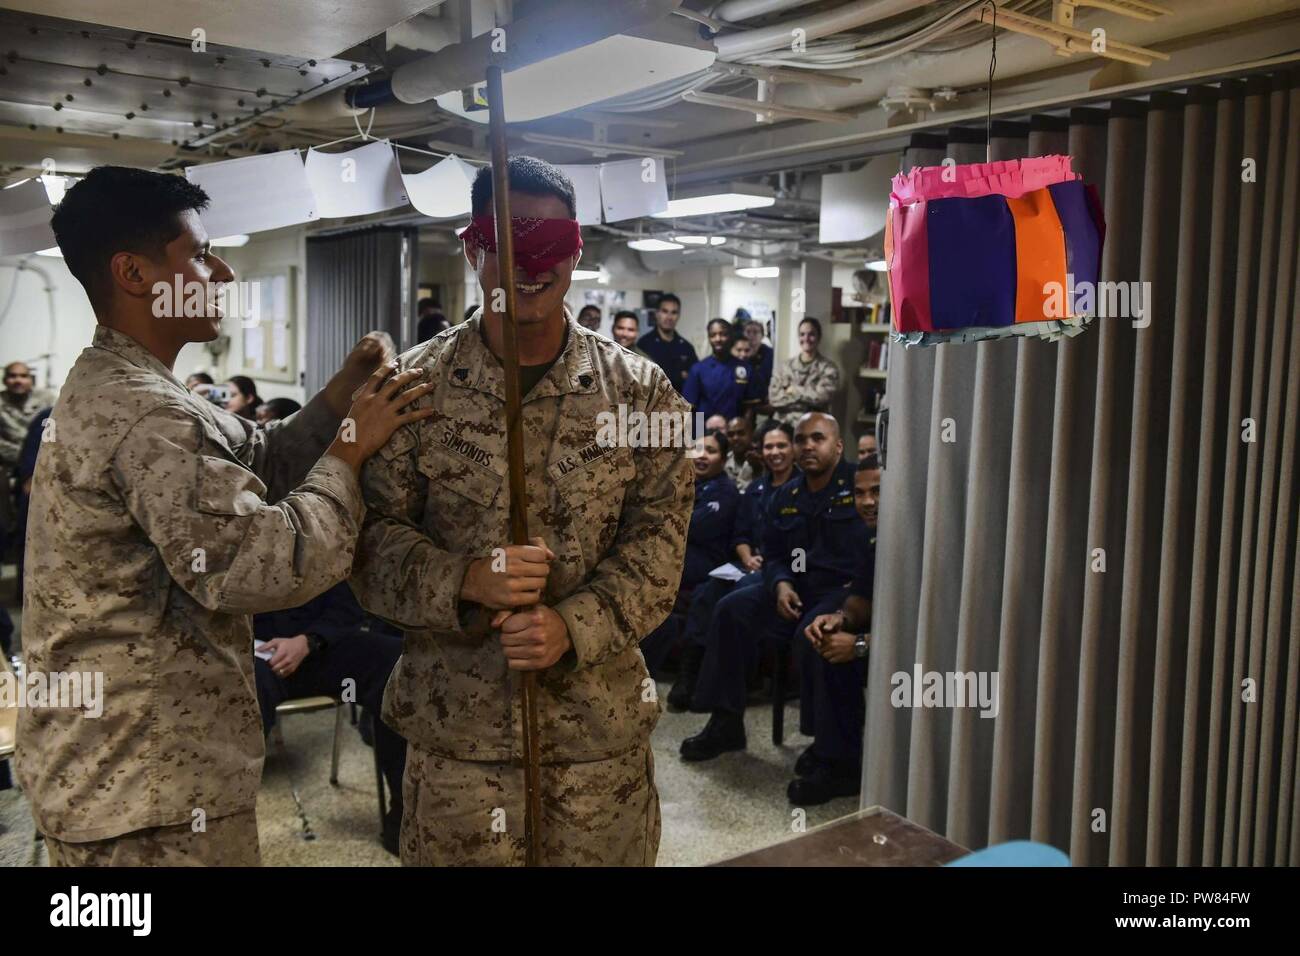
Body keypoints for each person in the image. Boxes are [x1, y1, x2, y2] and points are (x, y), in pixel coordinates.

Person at [16, 165, 436, 867]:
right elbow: (259, 566)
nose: (225, 272)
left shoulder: (136, 386)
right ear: (134, 272)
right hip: (144, 792)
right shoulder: (144, 411)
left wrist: (336, 400)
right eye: (201, 253)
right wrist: (353, 449)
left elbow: (256, 465)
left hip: (131, 773)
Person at [348, 155, 694, 867]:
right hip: (459, 745)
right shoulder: (414, 390)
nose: (529, 267)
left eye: (548, 247)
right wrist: (466, 580)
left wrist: (573, 625)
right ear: (473, 247)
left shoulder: (642, 393)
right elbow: (367, 546)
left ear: (575, 250)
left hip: (596, 742)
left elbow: (661, 546)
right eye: (508, 245)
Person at [680, 412, 864, 761]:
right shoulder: (787, 494)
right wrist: (780, 584)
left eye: (818, 438)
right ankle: (726, 722)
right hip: (793, 587)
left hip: (840, 591)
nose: (808, 446)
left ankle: (829, 747)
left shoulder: (857, 486)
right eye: (802, 439)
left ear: (838, 446)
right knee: (730, 609)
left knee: (811, 634)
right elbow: (776, 553)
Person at [252, 581, 407, 853]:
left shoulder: (320, 538)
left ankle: (404, 816)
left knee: (395, 662)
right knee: (240, 692)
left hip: (316, 647)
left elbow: (348, 607)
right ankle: (232, 819)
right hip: (251, 653)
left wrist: (308, 641)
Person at [667, 421, 795, 712]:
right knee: (708, 592)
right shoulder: (756, 489)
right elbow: (741, 534)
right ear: (761, 452)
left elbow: (802, 544)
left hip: (784, 568)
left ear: (793, 449)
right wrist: (748, 556)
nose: (774, 452)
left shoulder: (800, 487)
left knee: (730, 602)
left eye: (781, 446)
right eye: (769, 447)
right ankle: (689, 676)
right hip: (748, 562)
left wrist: (776, 562)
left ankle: (713, 689)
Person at [795, 454, 879, 804]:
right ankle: (834, 750)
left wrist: (860, 644)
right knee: (825, 641)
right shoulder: (868, 538)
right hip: (879, 635)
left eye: (877, 492)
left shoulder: (918, 541)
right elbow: (860, 600)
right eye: (859, 494)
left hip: (925, 653)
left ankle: (842, 767)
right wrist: (839, 620)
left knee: (840, 657)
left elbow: (924, 629)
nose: (867, 502)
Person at [639, 429, 738, 676]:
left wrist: (666, 521)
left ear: (724, 460)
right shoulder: (682, 483)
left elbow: (693, 527)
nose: (702, 456)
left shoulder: (725, 491)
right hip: (673, 556)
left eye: (712, 451)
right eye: (698, 449)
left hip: (704, 563)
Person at [1, 361, 55, 547]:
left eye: (23, 376)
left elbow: (54, 431)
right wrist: (22, 454)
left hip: (38, 465)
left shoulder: (46, 400)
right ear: (5, 380)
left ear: (30, 379)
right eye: (12, 376)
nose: (18, 381)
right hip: (7, 465)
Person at [682, 319, 760, 426]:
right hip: (706, 433)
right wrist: (700, 436)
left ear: (731, 336)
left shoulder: (744, 368)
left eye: (723, 334)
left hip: (734, 434)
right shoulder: (698, 369)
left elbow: (750, 407)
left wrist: (743, 431)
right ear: (709, 338)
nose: (718, 339)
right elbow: (691, 409)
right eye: (713, 335)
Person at [767, 317, 841, 427]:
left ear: (819, 337)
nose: (806, 338)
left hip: (814, 426)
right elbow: (774, 399)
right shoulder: (784, 367)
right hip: (783, 425)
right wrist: (807, 398)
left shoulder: (829, 368)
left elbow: (822, 398)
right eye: (802, 334)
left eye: (811, 334)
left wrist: (793, 390)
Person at [636, 293, 696, 392]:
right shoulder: (644, 344)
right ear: (657, 314)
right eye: (665, 311)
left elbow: (694, 381)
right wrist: (679, 375)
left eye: (674, 312)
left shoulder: (687, 347)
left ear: (679, 316)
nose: (669, 317)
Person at [744, 319, 774, 402]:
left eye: (755, 332)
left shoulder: (770, 353)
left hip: (764, 397)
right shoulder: (740, 352)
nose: (751, 335)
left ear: (762, 335)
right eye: (748, 332)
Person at [724, 415, 756, 491]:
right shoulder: (722, 462)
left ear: (751, 434)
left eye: (741, 433)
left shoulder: (764, 461)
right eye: (731, 435)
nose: (735, 438)